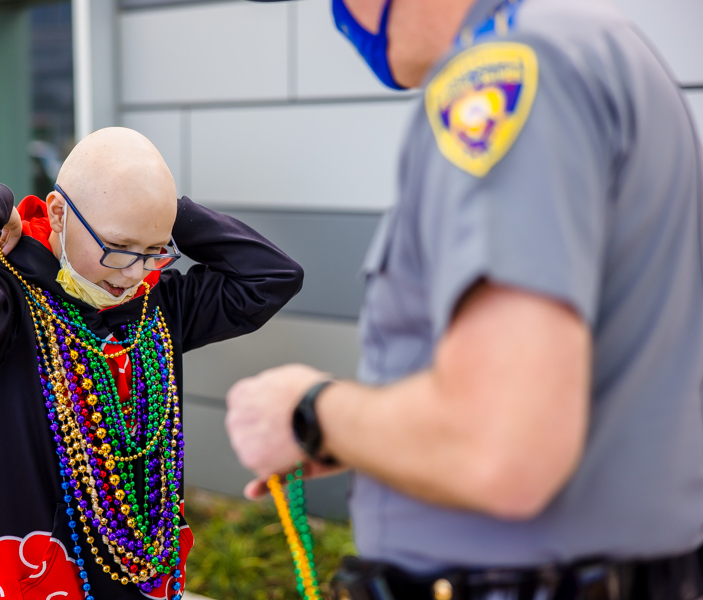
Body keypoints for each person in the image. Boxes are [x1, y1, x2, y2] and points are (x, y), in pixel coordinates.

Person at [226, 0, 703, 598]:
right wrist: (372, 438)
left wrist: (310, 412)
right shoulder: (598, 46)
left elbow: (501, 448)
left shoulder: (505, 70)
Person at [0, 127, 303, 599]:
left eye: (155, 252)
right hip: (27, 574)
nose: (135, 272)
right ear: (58, 214)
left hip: (140, 572)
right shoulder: (1, 305)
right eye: (119, 249)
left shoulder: (157, 304)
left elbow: (271, 277)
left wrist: (160, 210)